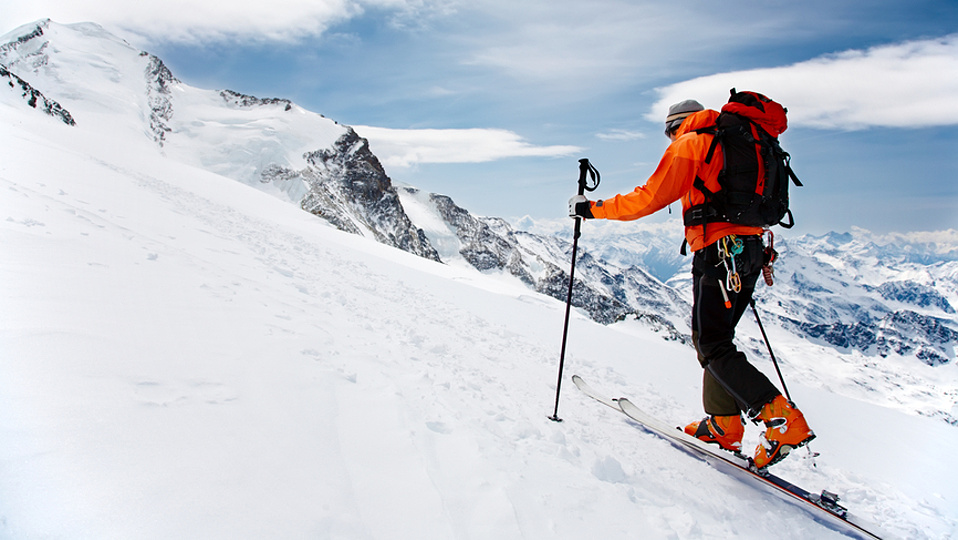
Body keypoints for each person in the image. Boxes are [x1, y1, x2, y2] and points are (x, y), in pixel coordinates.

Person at [569, 98, 814, 469]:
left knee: (712, 344)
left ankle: (781, 420)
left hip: (719, 252)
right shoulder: (742, 141)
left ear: (678, 124)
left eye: (669, 130)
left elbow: (649, 198)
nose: (669, 138)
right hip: (749, 250)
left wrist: (592, 209)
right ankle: (724, 424)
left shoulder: (693, 141)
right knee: (716, 342)